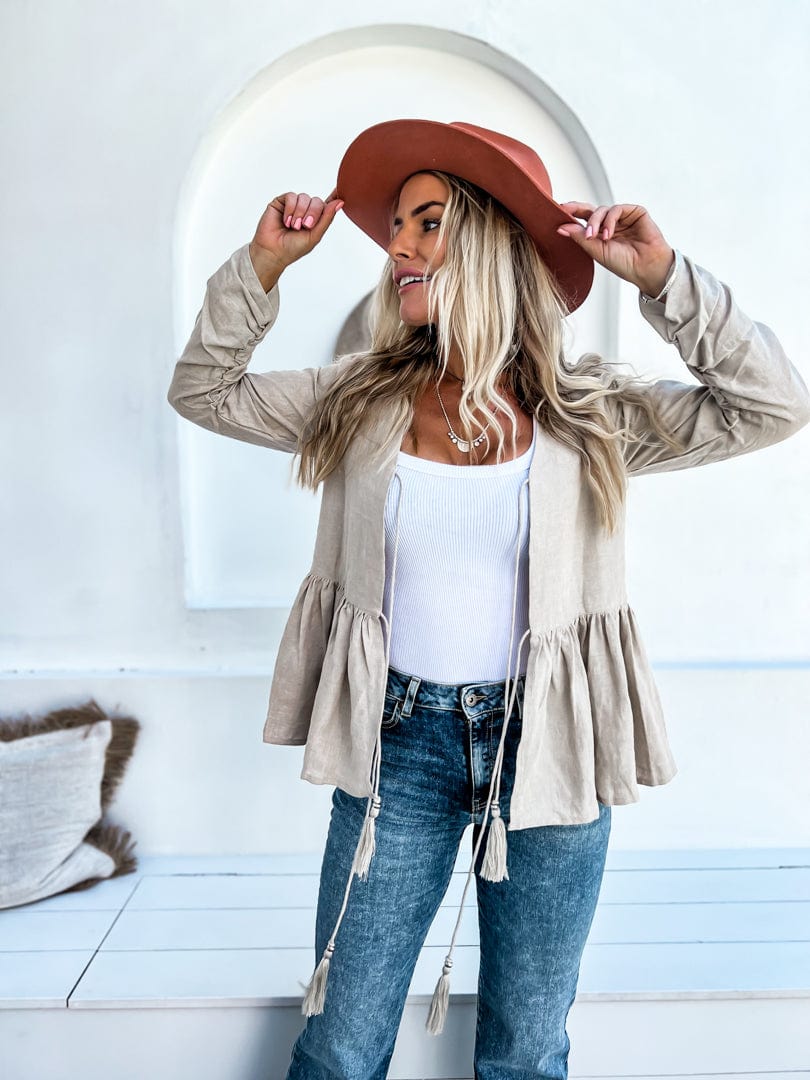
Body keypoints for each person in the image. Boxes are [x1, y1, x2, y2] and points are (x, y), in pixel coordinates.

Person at [167, 119, 810, 1079]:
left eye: (427, 223)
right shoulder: (357, 398)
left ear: (494, 244)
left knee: (526, 1053)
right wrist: (263, 265)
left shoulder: (590, 414)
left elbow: (773, 406)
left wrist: (664, 279)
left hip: (549, 744)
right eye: (397, 227)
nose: (399, 245)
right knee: (341, 1046)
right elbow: (205, 390)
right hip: (398, 748)